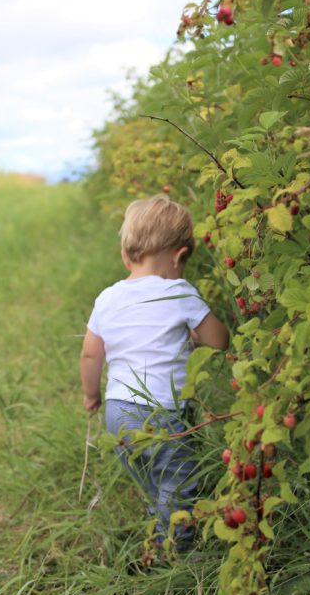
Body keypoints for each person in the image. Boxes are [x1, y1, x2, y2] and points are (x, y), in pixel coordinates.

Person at [80, 194, 229, 549]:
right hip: (163, 411)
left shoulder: (107, 298)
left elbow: (90, 355)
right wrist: (193, 333)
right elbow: (220, 340)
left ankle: (158, 523)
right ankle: (176, 552)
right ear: (179, 257)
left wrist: (91, 395)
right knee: (180, 480)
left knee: (151, 475)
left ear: (125, 255)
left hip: (118, 413)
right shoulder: (179, 293)